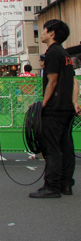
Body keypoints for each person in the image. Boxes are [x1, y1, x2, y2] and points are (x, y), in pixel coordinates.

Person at [29, 20, 77, 198]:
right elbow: (72, 81)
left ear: (52, 33)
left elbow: (52, 80)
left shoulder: (52, 53)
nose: (41, 33)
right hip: (66, 107)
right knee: (66, 146)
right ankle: (66, 184)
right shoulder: (65, 54)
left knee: (52, 147)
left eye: (44, 30)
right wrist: (73, 102)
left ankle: (51, 186)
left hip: (55, 108)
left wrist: (43, 104)